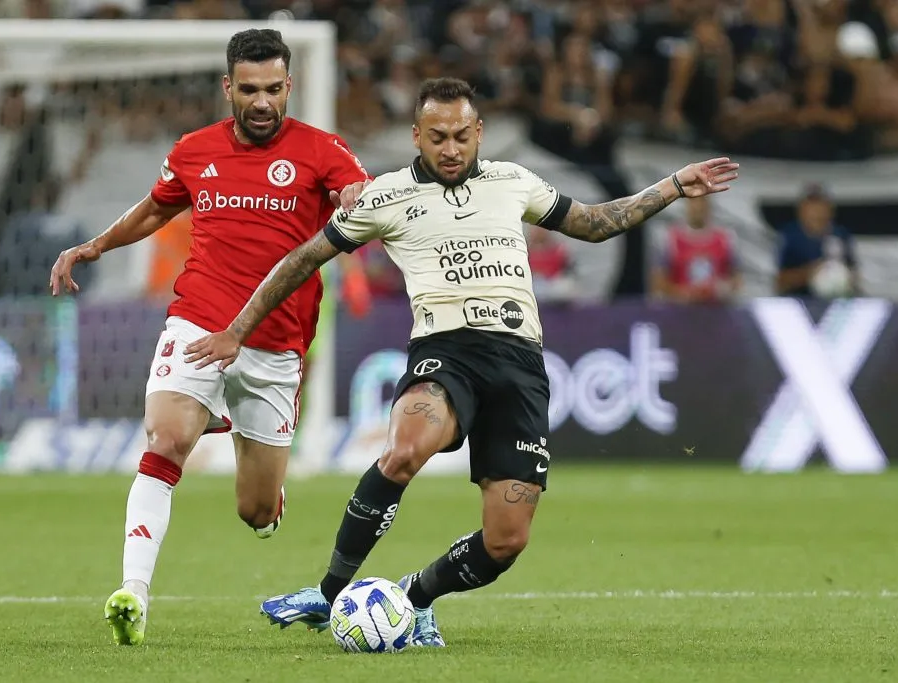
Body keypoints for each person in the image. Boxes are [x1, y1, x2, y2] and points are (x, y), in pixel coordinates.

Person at [183, 78, 739, 647]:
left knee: (506, 542)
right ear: (417, 136)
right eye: (438, 137)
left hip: (520, 364)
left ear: (479, 134)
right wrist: (236, 331)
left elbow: (595, 224)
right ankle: (330, 593)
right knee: (403, 451)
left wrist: (674, 185)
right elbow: (302, 260)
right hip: (446, 353)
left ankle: (415, 598)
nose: (450, 149)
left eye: (461, 137)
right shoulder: (385, 197)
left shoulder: (513, 182)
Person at [48, 28, 370, 646]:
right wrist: (95, 246)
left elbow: (358, 195)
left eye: (273, 90)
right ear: (228, 87)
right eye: (248, 90)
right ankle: (132, 595)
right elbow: (156, 207)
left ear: (289, 87)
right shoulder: (195, 150)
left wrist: (354, 194)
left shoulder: (323, 150)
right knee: (166, 438)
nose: (260, 103)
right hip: (199, 320)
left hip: (275, 346)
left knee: (256, 511)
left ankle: (231, 436)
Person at [650, 195, 741, 304]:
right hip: (680, 313)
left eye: (702, 202)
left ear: (709, 206)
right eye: (694, 202)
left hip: (715, 313)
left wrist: (722, 289)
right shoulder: (671, 239)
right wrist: (681, 293)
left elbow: (736, 280)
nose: (698, 207)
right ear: (687, 205)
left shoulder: (725, 239)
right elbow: (658, 282)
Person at [775, 183, 859, 298]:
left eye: (821, 206)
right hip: (800, 301)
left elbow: (854, 273)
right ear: (802, 210)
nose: (817, 212)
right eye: (812, 207)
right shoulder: (790, 237)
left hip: (836, 302)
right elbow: (780, 281)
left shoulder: (840, 235)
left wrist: (841, 276)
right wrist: (811, 273)